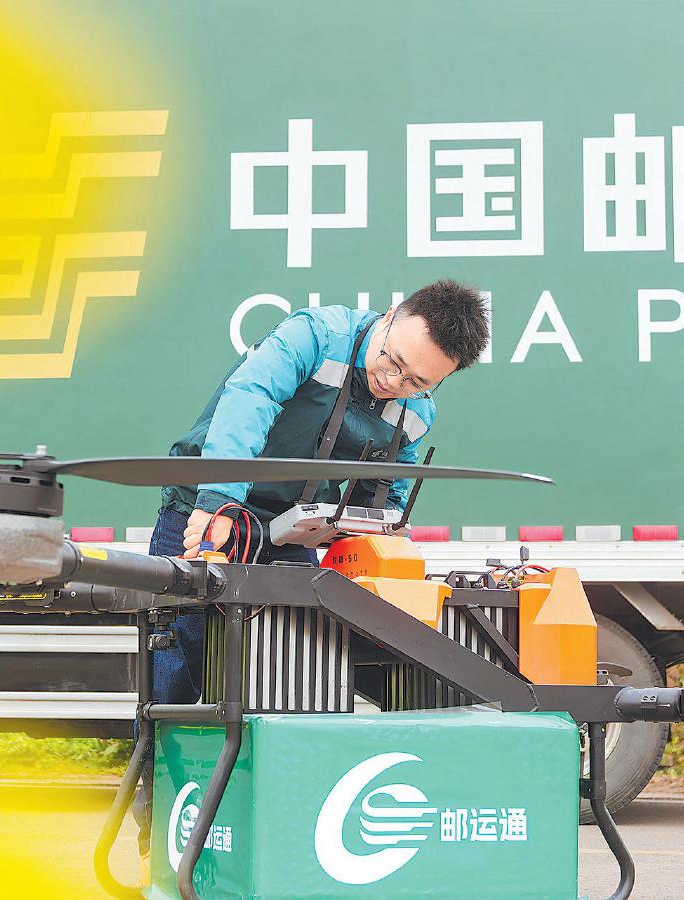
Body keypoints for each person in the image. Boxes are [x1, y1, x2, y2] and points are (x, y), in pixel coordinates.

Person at [133, 279, 489, 857]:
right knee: (178, 665)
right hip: (207, 512)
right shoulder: (313, 336)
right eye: (393, 362)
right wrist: (219, 499)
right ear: (390, 316)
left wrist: (375, 532)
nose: (394, 382)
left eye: (417, 381)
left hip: (289, 534)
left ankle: (275, 835)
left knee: (295, 676)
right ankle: (161, 825)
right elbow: (248, 397)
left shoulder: (415, 413)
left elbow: (384, 496)